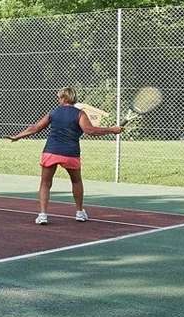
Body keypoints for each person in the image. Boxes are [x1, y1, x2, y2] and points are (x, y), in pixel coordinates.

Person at [7, 87, 122, 225]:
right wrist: (111, 130)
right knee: (76, 181)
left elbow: (36, 128)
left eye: (59, 97)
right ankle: (80, 212)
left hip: (51, 152)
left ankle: (43, 215)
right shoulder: (80, 114)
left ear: (64, 98)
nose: (58, 99)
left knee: (45, 183)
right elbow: (90, 130)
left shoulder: (54, 112)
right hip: (70, 153)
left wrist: (17, 137)